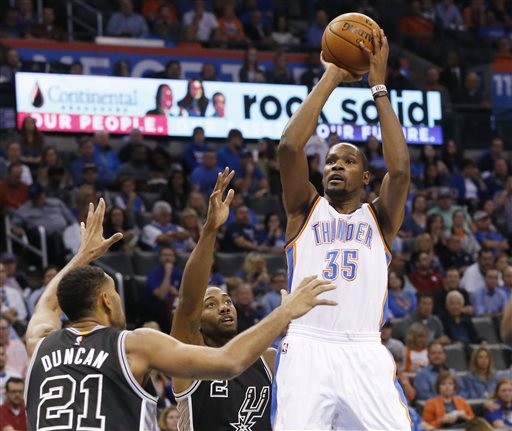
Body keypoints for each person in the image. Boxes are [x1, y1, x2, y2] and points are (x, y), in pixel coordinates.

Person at [24, 198, 336, 430]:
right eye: (116, 294)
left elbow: (48, 304)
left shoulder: (40, 344)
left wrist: (82, 256)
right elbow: (228, 358)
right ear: (107, 301)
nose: (223, 306)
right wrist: (286, 311)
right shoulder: (134, 345)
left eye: (227, 301)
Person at [273, 29, 411, 429]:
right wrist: (332, 75)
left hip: (363, 349)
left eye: (348, 162)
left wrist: (378, 87)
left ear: (366, 177)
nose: (336, 165)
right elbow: (289, 148)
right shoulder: (304, 210)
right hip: (307, 344)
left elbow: (401, 170)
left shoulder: (380, 219)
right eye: (331, 161)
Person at [171, 169, 335, 430]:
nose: (224, 308)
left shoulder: (268, 359)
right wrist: (210, 231)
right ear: (197, 323)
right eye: (211, 305)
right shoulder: (189, 358)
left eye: (227, 301)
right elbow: (189, 301)